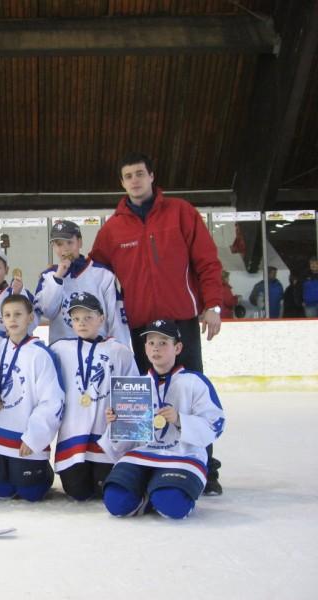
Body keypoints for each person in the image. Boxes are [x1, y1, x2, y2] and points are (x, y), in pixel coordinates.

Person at [89, 152, 224, 495]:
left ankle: (205, 467)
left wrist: (213, 305)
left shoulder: (181, 213)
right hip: (139, 327)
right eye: (128, 176)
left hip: (181, 321)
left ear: (152, 175)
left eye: (139, 174)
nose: (134, 180)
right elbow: (94, 272)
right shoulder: (113, 228)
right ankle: (145, 462)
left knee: (189, 394)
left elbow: (207, 261)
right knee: (141, 398)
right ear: (122, 183)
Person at [100, 320, 226, 520]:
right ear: (145, 348)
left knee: (172, 505)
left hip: (182, 456)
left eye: (163, 343)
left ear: (178, 348)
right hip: (141, 455)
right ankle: (150, 490)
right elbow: (122, 446)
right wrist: (117, 424)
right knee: (116, 502)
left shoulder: (195, 382)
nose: (156, 348)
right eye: (151, 343)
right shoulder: (135, 386)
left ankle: (156, 491)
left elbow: (215, 424)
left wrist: (180, 420)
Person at [50, 292, 138, 501]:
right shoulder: (60, 349)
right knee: (77, 492)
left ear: (101, 318)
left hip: (105, 438)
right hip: (72, 439)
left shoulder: (119, 351)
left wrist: (121, 421)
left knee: (103, 490)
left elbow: (133, 394)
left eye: (88, 317)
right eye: (76, 318)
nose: (82, 323)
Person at [0, 295, 65, 502]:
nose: (12, 319)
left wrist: (34, 437)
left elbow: (52, 400)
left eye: (18, 314)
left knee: (31, 494)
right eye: (7, 315)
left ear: (30, 318)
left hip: (24, 439)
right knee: (0, 492)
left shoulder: (40, 354)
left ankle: (44, 471)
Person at [35, 220, 130, 346]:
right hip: (63, 350)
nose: (65, 249)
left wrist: (120, 349)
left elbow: (116, 317)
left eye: (70, 242)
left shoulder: (102, 274)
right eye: (59, 244)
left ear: (80, 242)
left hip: (97, 348)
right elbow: (47, 312)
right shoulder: (48, 276)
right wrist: (57, 278)